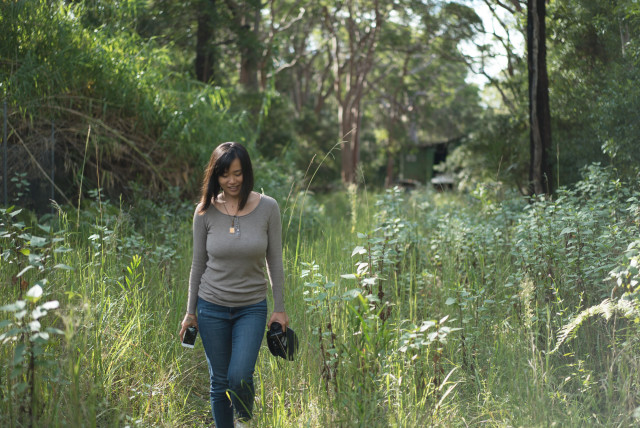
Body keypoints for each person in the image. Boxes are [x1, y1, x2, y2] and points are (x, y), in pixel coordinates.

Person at [179, 142, 289, 428]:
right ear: (216, 176)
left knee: (240, 376)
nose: (232, 181)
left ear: (246, 173)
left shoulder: (268, 208)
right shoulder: (205, 211)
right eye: (225, 174)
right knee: (219, 381)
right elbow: (197, 263)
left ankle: (243, 418)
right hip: (211, 307)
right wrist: (190, 312)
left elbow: (275, 261)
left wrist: (280, 308)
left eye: (238, 173)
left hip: (251, 308)